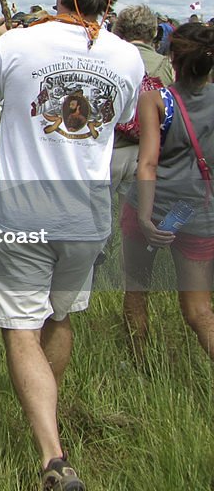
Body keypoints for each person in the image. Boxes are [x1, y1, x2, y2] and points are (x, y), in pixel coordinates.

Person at [0, 0, 143, 490]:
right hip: (88, 215)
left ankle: (52, 457)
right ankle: (50, 426)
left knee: (21, 328)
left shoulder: (18, 43)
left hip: (22, 212)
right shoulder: (127, 58)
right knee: (59, 319)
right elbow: (122, 120)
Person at [122, 23, 214, 362]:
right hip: (199, 210)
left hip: (153, 205)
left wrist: (145, 217)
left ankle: (137, 362)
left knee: (136, 289)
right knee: (199, 309)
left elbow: (147, 163)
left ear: (171, 56)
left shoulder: (157, 100)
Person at [109, 5, 174, 195]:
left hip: (113, 147)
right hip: (150, 150)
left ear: (118, 30)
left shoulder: (108, 61)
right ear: (154, 32)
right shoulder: (166, 65)